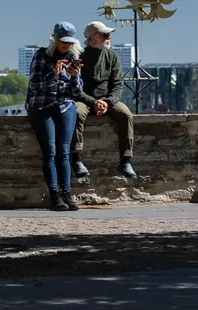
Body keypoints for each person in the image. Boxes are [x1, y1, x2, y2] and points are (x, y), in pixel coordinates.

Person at [25, 22, 85, 210]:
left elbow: (76, 91)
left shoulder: (72, 58)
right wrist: (54, 73)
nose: (66, 46)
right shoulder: (42, 55)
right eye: (63, 42)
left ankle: (66, 193)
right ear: (55, 40)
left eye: (69, 43)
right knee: (50, 150)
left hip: (65, 106)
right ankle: (54, 195)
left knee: (64, 151)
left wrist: (74, 75)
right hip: (42, 107)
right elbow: (35, 85)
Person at [72, 20, 136, 179]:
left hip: (108, 100)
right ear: (93, 38)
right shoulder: (79, 56)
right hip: (84, 99)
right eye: (105, 34)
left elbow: (117, 84)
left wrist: (107, 102)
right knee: (77, 113)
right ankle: (76, 158)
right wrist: (93, 102)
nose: (109, 37)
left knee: (126, 114)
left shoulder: (112, 56)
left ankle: (125, 160)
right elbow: (74, 87)